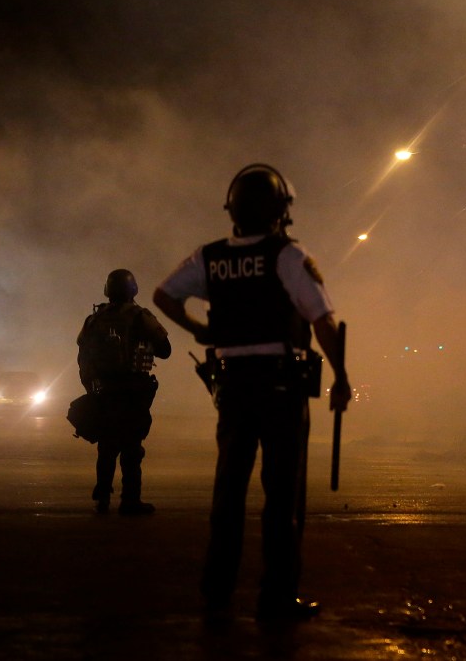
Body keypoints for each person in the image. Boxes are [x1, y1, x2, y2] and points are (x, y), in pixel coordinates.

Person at [153, 163, 351, 623]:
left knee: (229, 491)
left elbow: (164, 296)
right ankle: (277, 597)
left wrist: (200, 330)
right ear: (280, 211)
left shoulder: (211, 256)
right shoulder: (288, 255)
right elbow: (323, 321)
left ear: (233, 209)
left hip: (233, 386)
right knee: (283, 494)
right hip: (281, 387)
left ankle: (217, 589)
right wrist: (341, 377)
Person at [76, 269, 171, 515]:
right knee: (131, 447)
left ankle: (103, 498)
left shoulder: (94, 320)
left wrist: (93, 386)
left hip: (104, 392)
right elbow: (165, 349)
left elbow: (83, 356)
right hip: (133, 392)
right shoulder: (140, 316)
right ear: (133, 290)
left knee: (106, 446)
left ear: (108, 290)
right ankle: (130, 500)